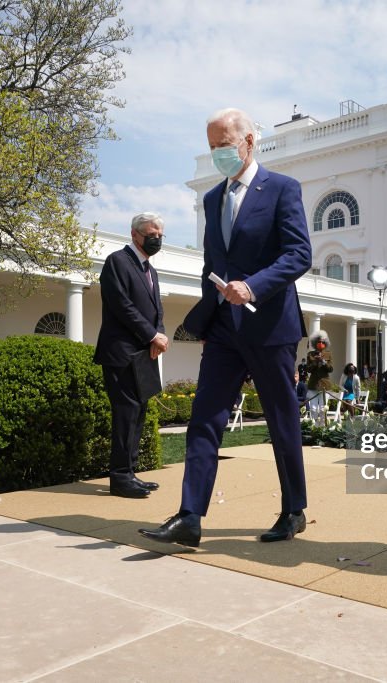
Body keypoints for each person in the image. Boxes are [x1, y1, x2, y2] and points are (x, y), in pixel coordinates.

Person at [139, 107, 311, 548]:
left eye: (224, 145)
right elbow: (213, 262)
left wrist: (252, 288)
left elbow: (298, 254)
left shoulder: (283, 189)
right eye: (212, 146)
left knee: (280, 421)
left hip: (270, 325)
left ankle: (294, 510)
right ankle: (190, 517)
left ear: (249, 141)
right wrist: (211, 306)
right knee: (204, 420)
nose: (218, 153)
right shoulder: (214, 198)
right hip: (223, 329)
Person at [94, 212, 168, 499]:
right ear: (135, 234)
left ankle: (131, 472)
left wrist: (158, 335)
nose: (157, 239)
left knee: (138, 413)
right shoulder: (117, 262)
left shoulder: (151, 270)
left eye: (161, 234)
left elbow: (157, 310)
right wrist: (152, 335)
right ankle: (120, 477)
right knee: (125, 415)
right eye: (152, 234)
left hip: (143, 354)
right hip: (121, 354)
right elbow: (122, 305)